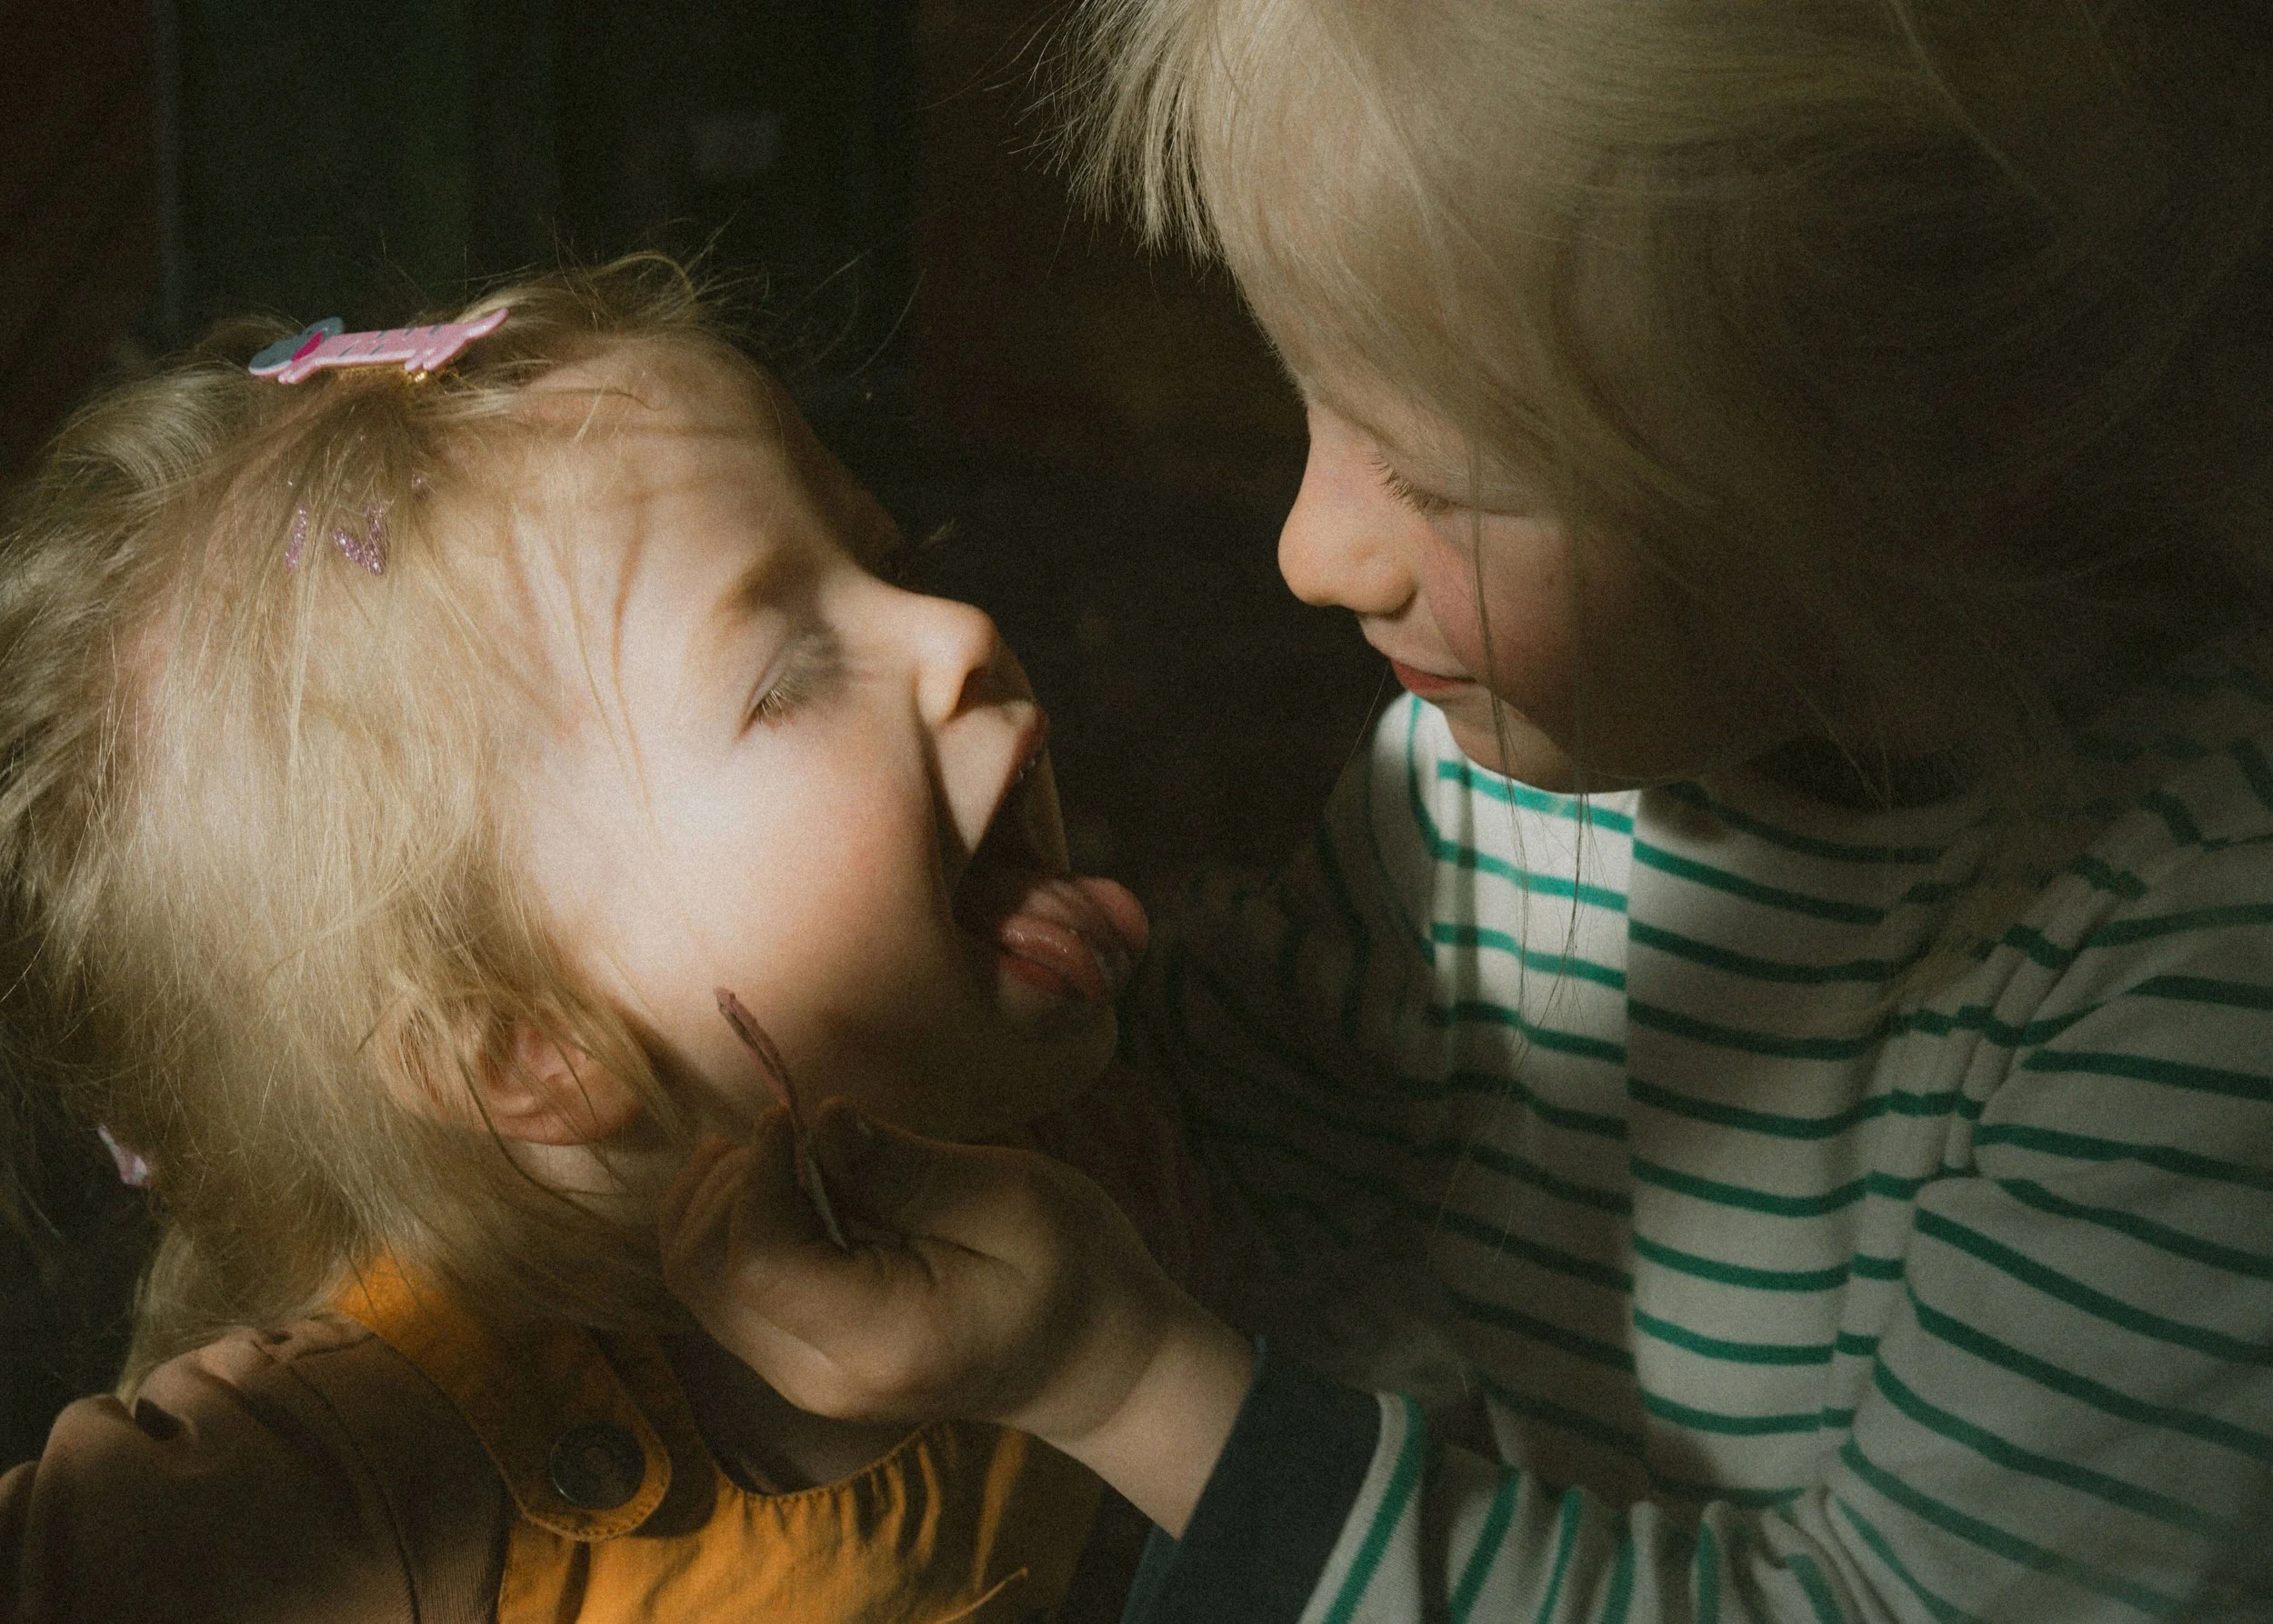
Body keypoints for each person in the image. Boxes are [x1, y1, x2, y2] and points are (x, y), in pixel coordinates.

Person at [656, 3, 2273, 1620]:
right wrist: (1012, 1038)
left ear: (1931, 458)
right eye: (1312, 398)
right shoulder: (1524, 759)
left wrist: (1120, 1373)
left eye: (1440, 480)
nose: (1313, 550)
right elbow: (1279, 1128)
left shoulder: (2199, 982)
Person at [0, 256, 1154, 1621]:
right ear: (528, 1044)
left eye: (883, 560)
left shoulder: (1095, 1143)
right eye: (780, 677)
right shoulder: (341, 1473)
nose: (960, 631)